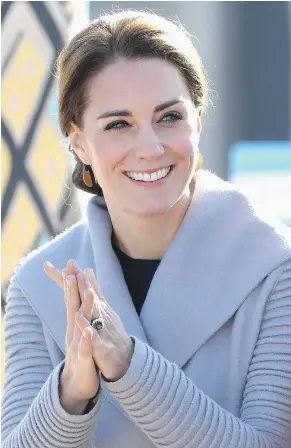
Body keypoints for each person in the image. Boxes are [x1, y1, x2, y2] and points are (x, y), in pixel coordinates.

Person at [2, 9, 291, 448]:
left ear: (198, 120)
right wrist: (71, 394)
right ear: (78, 142)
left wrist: (129, 367)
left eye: (169, 117)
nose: (150, 148)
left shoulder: (274, 268)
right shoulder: (38, 284)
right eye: (119, 124)